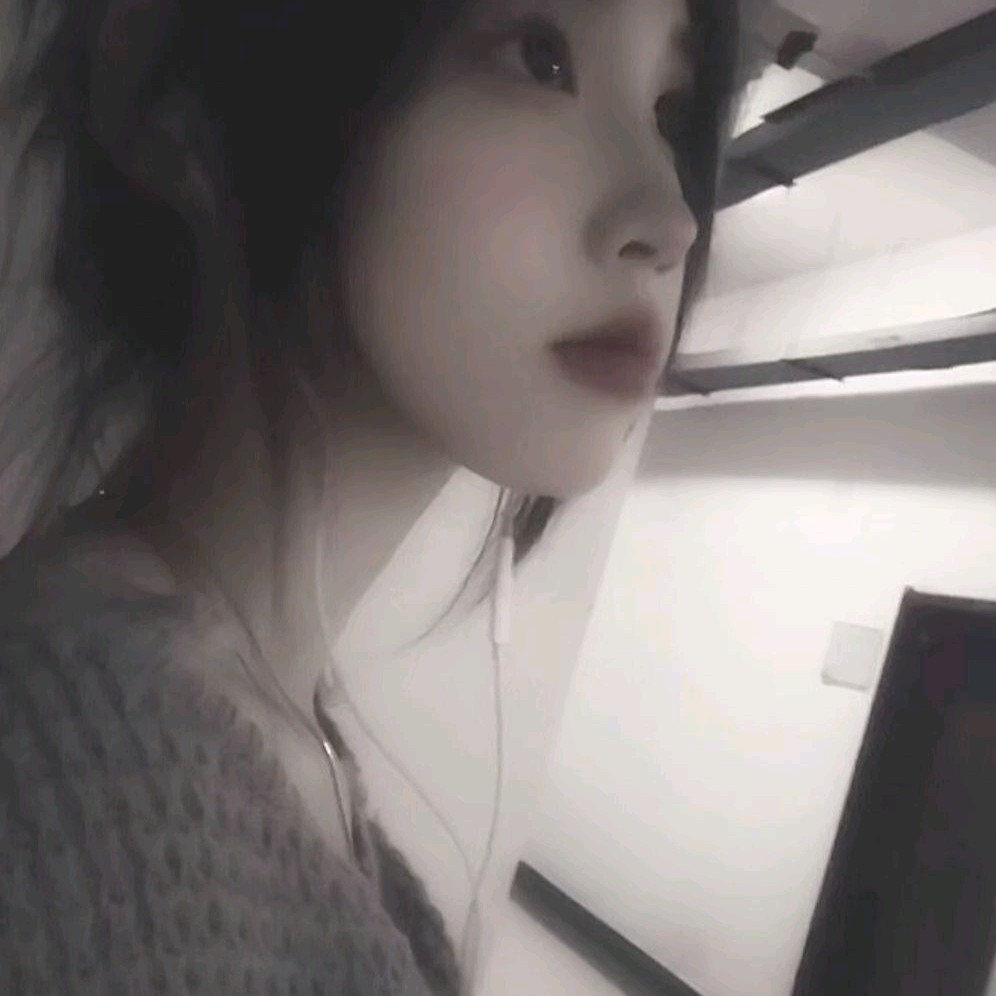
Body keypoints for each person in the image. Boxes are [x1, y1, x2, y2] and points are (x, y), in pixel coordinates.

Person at [0, 0, 742, 991]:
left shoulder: (269, 744)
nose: (671, 218)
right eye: (540, 57)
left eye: (669, 111)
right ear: (178, 101)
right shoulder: (53, 792)